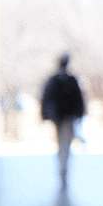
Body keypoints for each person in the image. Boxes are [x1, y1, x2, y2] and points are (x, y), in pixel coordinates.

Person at [40, 52, 85, 187]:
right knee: (65, 143)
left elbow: (46, 99)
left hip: (61, 119)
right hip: (65, 118)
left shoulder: (54, 80)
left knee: (62, 143)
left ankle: (62, 164)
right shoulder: (70, 80)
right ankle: (63, 164)